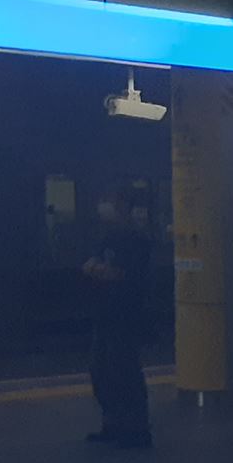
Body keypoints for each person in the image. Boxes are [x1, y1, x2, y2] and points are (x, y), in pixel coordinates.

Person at [84, 186, 153, 448]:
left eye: (111, 201)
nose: (105, 206)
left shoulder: (136, 240)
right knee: (101, 370)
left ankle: (137, 428)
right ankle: (113, 423)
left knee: (124, 370)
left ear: (123, 207)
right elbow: (92, 266)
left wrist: (101, 270)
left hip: (126, 315)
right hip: (105, 314)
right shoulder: (108, 237)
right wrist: (102, 270)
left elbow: (121, 274)